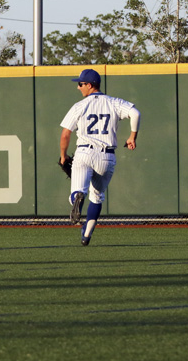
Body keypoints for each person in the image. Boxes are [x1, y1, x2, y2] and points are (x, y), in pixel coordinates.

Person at [59, 69, 140, 246]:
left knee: (77, 192)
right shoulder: (114, 102)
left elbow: (65, 134)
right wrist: (132, 137)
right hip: (106, 155)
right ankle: (86, 234)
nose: (78, 87)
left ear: (89, 85)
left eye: (80, 84)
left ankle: (77, 198)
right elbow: (135, 113)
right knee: (97, 196)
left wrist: (63, 156)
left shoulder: (79, 106)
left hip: (84, 152)